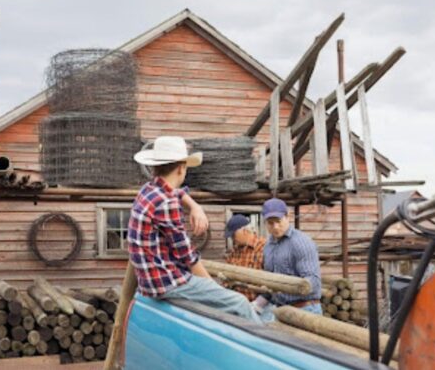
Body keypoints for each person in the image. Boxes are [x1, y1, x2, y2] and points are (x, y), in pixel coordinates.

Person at [128, 136, 261, 323]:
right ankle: (264, 345)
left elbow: (176, 192)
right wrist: (215, 288)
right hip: (166, 283)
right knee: (238, 303)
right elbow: (188, 256)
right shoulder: (167, 203)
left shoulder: (148, 190)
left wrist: (194, 205)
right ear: (182, 168)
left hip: (149, 280)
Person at [259, 198, 322, 321]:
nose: (275, 227)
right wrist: (260, 301)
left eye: (278, 221)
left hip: (305, 309)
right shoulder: (268, 246)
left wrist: (289, 286)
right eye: (270, 223)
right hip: (280, 309)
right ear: (265, 223)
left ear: (288, 216)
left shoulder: (301, 242)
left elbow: (313, 282)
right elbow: (270, 279)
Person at [224, 214, 266, 301]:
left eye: (233, 235)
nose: (232, 239)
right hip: (236, 303)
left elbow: (272, 284)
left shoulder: (264, 247)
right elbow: (226, 278)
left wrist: (259, 304)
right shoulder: (234, 252)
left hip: (259, 305)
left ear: (244, 231)